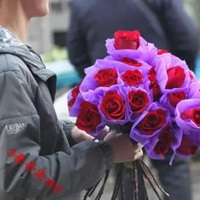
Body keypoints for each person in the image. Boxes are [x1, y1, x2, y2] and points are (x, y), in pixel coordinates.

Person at [0, 0, 143, 200]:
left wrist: (69, 133)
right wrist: (106, 153)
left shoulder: (11, 61)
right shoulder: (8, 69)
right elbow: (20, 180)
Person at [67, 0, 199, 200]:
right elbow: (186, 37)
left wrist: (100, 84)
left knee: (126, 163)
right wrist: (170, 74)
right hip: (162, 99)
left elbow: (76, 52)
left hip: (110, 101)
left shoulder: (82, 4)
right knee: (172, 166)